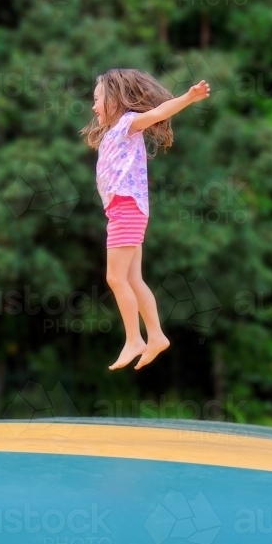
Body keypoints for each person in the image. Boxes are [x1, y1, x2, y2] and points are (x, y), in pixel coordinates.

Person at [82, 69, 210, 371]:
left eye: (97, 99)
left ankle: (134, 339)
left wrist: (188, 98)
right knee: (132, 279)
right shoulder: (112, 133)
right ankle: (155, 336)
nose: (93, 106)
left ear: (115, 100)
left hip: (126, 209)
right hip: (123, 210)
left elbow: (159, 111)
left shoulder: (128, 124)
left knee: (115, 278)